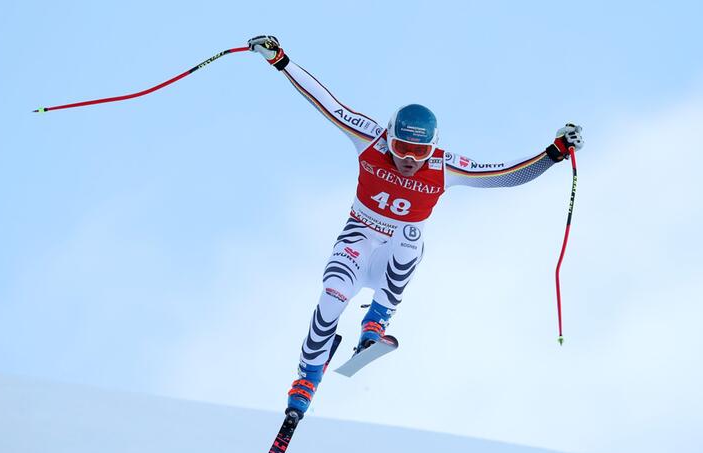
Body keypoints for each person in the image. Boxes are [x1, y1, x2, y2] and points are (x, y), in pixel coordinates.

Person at [247, 35, 583, 419]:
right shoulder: (369, 140)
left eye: (419, 152)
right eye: (401, 148)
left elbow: (504, 175)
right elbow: (328, 104)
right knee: (332, 295)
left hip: (396, 255)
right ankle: (306, 377)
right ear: (388, 137)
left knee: (410, 234)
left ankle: (375, 322)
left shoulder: (445, 167)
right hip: (358, 240)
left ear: (433, 146)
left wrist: (552, 153)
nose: (408, 159)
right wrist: (281, 60)